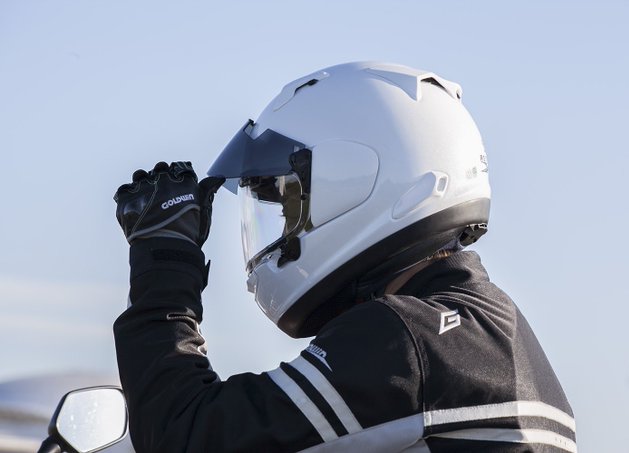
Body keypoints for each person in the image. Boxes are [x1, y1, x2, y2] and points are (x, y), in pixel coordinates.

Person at [113, 62, 576, 452]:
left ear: (357, 179)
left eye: (290, 198)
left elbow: (186, 436)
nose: (284, 225)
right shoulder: (497, 327)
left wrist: (164, 260)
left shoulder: (407, 338)